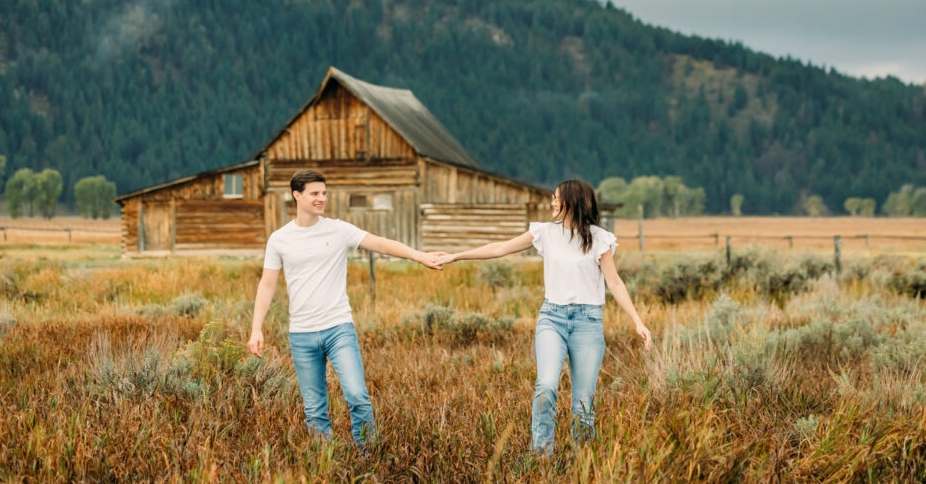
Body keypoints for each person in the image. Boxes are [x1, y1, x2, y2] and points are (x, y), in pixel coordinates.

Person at [440, 179, 651, 455]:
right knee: (547, 385)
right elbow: (499, 248)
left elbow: (615, 282)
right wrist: (456, 256)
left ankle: (582, 459)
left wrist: (638, 321)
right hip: (552, 319)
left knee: (583, 401)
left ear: (572, 203)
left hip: (588, 324)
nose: (551, 203)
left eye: (556, 198)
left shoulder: (599, 238)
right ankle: (541, 456)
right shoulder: (543, 233)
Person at [247, 169, 445, 447]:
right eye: (315, 193)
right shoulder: (279, 239)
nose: (321, 199)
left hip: (338, 328)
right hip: (301, 335)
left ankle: (367, 456)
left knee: (357, 396)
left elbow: (380, 243)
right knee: (315, 410)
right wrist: (256, 328)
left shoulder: (338, 230)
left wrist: (418, 255)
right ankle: (325, 465)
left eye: (324, 193)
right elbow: (267, 285)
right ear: (297, 196)